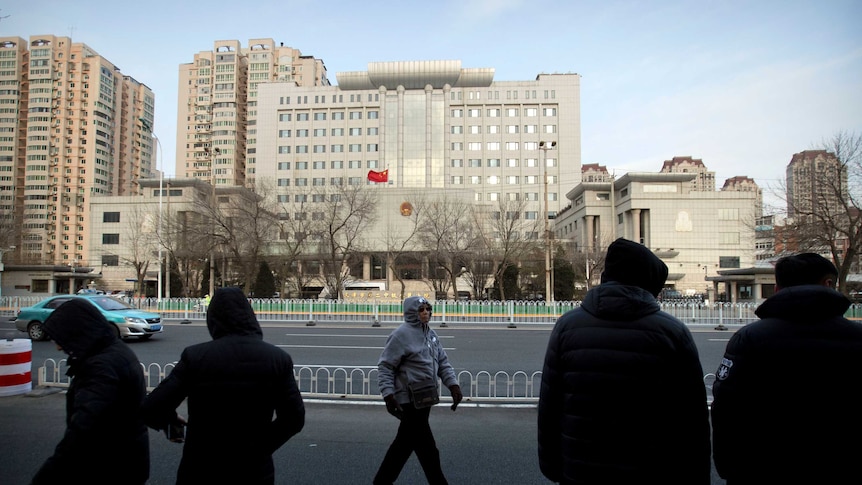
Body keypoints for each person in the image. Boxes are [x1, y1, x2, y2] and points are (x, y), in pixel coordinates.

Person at [538, 238, 711, 485]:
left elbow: (550, 407)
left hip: (580, 470)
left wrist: (553, 467)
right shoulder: (673, 333)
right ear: (649, 283)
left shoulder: (567, 327)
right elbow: (692, 422)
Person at [711, 253, 862, 484]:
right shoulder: (856, 336)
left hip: (764, 468)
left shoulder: (750, 337)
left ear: (778, 287)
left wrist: (731, 470)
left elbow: (728, 412)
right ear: (828, 284)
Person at [141, 286, 304, 485]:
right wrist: (260, 448)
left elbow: (152, 408)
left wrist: (171, 421)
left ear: (213, 320)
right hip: (254, 471)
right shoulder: (278, 359)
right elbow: (294, 418)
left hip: (201, 468)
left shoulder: (196, 357)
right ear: (250, 317)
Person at [32, 298, 149, 484]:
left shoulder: (100, 367)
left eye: (63, 338)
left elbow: (83, 429)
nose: (59, 346)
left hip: (109, 466)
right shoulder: (115, 350)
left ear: (79, 332)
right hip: (127, 459)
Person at [374, 296, 463, 485]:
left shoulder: (430, 334)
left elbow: (443, 363)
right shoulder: (401, 335)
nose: (426, 313)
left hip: (425, 398)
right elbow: (385, 367)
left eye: (427, 309)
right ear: (411, 313)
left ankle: (381, 482)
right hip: (408, 401)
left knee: (404, 447)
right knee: (427, 450)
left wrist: (453, 385)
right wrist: (389, 396)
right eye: (421, 310)